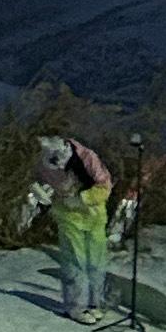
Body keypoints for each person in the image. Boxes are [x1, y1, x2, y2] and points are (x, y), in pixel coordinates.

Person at [45, 137, 115, 321]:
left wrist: (82, 199)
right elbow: (43, 183)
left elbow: (105, 186)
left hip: (94, 217)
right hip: (68, 218)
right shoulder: (44, 161)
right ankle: (76, 307)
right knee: (74, 262)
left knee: (96, 263)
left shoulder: (88, 158)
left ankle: (95, 303)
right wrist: (45, 197)